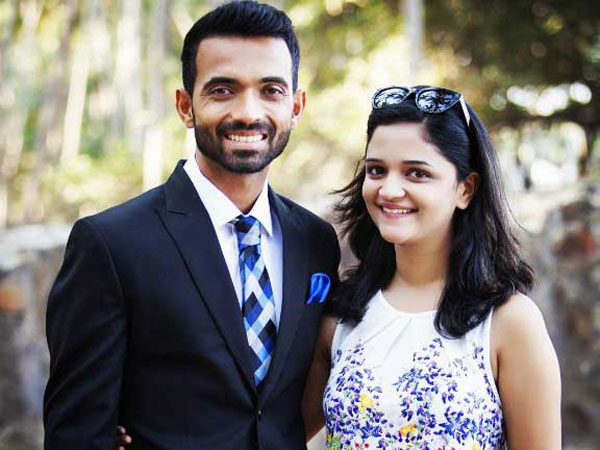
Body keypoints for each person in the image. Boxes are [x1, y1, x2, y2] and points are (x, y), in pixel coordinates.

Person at [43, 2, 340, 449]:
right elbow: (76, 432)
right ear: (186, 106)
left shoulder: (315, 241)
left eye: (271, 90)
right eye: (223, 90)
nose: (248, 112)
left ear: (296, 106)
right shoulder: (111, 245)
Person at [300, 86, 562, 449]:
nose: (389, 190)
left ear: (465, 189)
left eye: (416, 173)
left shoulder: (510, 321)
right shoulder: (340, 317)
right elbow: (275, 432)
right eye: (377, 170)